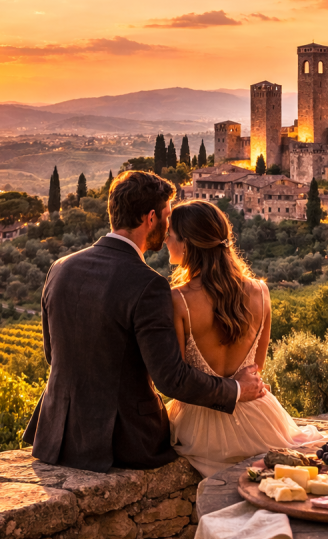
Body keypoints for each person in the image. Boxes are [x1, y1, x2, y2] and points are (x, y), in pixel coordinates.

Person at [22, 172, 267, 472]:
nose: (167, 230)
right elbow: (170, 378)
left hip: (57, 436)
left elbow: (53, 354)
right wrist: (237, 390)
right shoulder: (148, 284)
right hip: (124, 442)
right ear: (151, 218)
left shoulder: (60, 268)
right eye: (166, 217)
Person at [165, 200, 324, 476]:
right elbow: (256, 367)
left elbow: (179, 381)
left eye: (171, 234)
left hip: (200, 429)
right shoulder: (261, 291)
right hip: (259, 417)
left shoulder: (178, 300)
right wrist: (237, 387)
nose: (166, 239)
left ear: (187, 244)